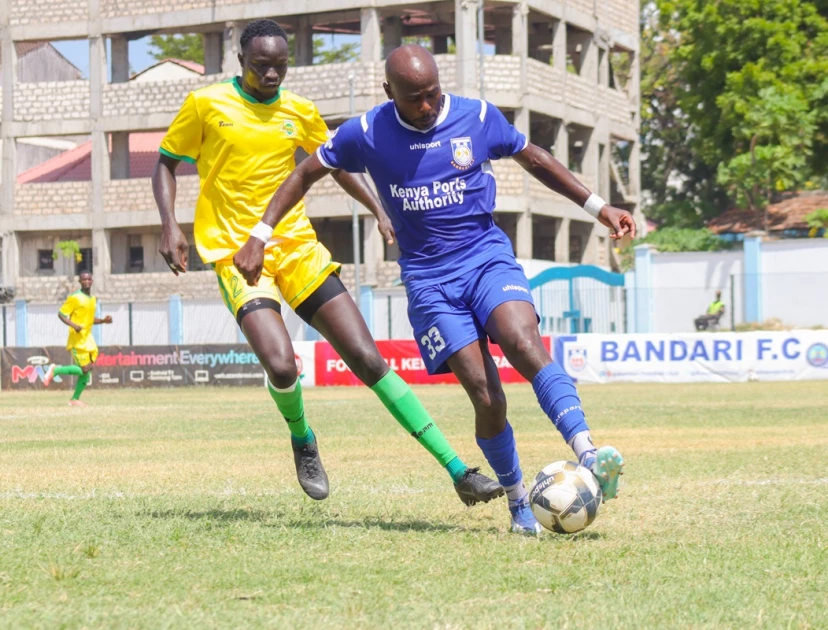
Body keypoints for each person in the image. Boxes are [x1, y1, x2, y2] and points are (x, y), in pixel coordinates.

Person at [236, 45, 636, 535]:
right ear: (390, 93)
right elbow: (304, 174)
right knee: (486, 395)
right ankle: (518, 506)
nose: (426, 107)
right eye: (413, 99)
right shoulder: (366, 132)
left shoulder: (478, 117)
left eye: (432, 94)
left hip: (485, 256)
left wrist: (599, 208)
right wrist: (260, 234)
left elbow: (534, 158)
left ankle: (590, 454)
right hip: (428, 280)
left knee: (524, 343)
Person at [151, 21, 499, 505]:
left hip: (296, 248)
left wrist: (379, 210)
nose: (271, 75)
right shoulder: (206, 105)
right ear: (239, 61)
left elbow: (332, 162)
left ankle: (459, 471)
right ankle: (303, 438)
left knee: (367, 359)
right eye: (260, 67)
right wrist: (170, 224)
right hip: (237, 255)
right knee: (281, 365)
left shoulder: (299, 110)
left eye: (279, 66)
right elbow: (166, 162)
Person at [44, 271, 113, 406]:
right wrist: (74, 325)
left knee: (87, 371)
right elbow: (61, 314)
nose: (86, 281)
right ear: (80, 282)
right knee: (83, 369)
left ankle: (75, 399)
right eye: (84, 279)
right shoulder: (75, 297)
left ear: (92, 281)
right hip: (77, 339)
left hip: (88, 339)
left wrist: (103, 321)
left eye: (89, 279)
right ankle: (55, 370)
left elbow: (89, 319)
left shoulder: (93, 299)